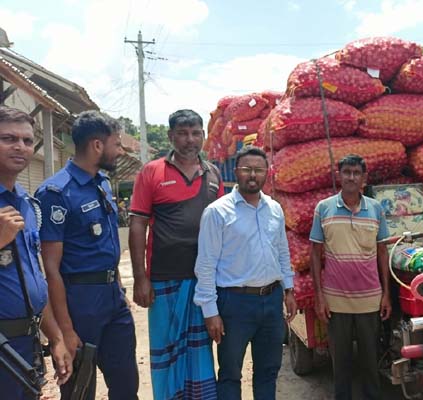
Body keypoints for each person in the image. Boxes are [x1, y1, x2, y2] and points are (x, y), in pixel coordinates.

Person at [36, 110, 138, 399]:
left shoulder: (102, 184)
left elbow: (107, 247)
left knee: (126, 385)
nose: (119, 151)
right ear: (97, 145)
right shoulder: (56, 193)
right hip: (79, 303)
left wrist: (118, 288)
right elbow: (51, 269)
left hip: (112, 299)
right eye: (116, 144)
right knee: (80, 389)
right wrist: (65, 331)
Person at [129, 109, 222, 399]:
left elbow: (222, 228)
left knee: (200, 353)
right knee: (167, 352)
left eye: (196, 132)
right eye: (182, 133)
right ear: (171, 136)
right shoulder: (151, 172)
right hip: (163, 281)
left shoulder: (213, 174)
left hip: (203, 283)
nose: (190, 139)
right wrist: (141, 279)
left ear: (203, 136)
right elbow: (137, 225)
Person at [194, 146, 296, 400]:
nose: (253, 175)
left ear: (267, 173)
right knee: (230, 373)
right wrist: (210, 312)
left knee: (268, 370)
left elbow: (283, 252)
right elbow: (205, 265)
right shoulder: (217, 212)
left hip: (271, 301)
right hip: (234, 304)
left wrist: (289, 290)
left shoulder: (274, 209)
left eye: (259, 170)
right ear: (236, 172)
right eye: (247, 169)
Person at [0, 106, 72, 398]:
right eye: (8, 138)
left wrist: (55, 338)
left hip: (25, 347)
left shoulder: (27, 205)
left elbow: (33, 279)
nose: (20, 146)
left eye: (28, 141)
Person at [310, 154, 392, 400]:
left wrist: (386, 295)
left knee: (369, 360)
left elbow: (382, 252)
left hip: (369, 298)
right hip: (336, 300)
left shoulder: (376, 209)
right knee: (341, 363)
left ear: (364, 179)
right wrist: (319, 297)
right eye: (347, 172)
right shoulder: (323, 208)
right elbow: (314, 253)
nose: (351, 177)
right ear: (339, 175)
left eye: (356, 173)